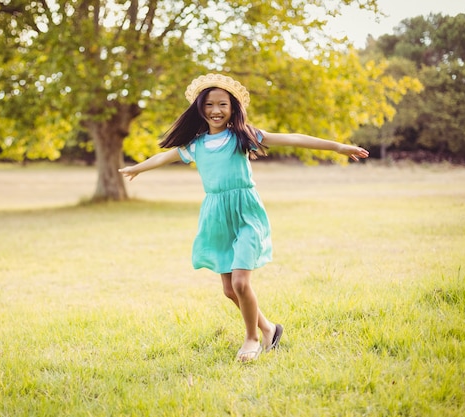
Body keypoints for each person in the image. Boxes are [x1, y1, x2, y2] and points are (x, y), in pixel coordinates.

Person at [119, 73, 369, 362]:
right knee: (228, 290)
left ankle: (251, 338)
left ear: (233, 108)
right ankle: (269, 329)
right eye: (210, 104)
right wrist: (138, 167)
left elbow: (292, 139)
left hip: (246, 213)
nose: (216, 110)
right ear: (200, 108)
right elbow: (165, 157)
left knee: (240, 282)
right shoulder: (197, 145)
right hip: (216, 216)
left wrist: (339, 147)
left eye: (222, 104)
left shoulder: (243, 136)